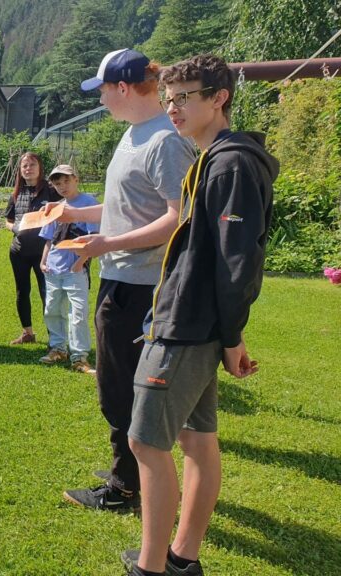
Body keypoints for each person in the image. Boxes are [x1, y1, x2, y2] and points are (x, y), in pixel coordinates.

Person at [121, 54, 277, 576]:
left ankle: (150, 568)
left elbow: (240, 262)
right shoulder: (213, 157)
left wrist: (230, 336)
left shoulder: (231, 163)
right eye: (168, 99)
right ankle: (182, 560)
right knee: (196, 437)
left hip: (188, 328)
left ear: (220, 97)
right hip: (194, 322)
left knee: (145, 441)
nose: (172, 109)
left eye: (185, 97)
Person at [55, 48, 195, 513]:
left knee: (122, 387)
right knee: (115, 382)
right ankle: (127, 468)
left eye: (102, 92)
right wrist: (78, 214)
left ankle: (124, 488)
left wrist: (105, 244)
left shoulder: (165, 142)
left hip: (142, 287)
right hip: (120, 276)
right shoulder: (135, 134)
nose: (101, 102)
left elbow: (179, 219)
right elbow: (125, 207)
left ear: (122, 87)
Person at [38, 165, 99, 373]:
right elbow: (48, 240)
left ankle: (79, 357)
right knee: (52, 310)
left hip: (75, 269)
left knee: (78, 313)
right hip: (53, 269)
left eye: (66, 181)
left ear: (76, 179)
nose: (62, 186)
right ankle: (58, 349)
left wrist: (79, 263)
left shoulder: (88, 203)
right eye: (57, 183)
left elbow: (94, 238)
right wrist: (43, 261)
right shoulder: (55, 207)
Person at [4, 152, 61, 345]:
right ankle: (27, 333)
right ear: (20, 170)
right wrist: (15, 228)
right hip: (19, 251)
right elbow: (8, 221)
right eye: (24, 166)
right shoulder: (16, 193)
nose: (28, 169)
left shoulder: (51, 190)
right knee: (22, 291)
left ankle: (54, 337)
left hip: (43, 253)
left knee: (47, 292)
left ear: (40, 168)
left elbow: (62, 211)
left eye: (32, 165)